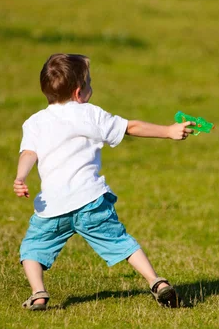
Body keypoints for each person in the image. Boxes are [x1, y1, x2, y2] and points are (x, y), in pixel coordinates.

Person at [13, 53, 192, 310]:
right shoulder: (90, 114)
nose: (91, 88)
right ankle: (157, 282)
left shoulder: (35, 123)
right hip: (90, 201)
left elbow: (29, 153)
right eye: (89, 83)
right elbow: (131, 127)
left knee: (32, 248)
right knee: (121, 243)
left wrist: (21, 176)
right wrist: (168, 131)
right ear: (79, 93)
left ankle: (39, 293)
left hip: (53, 206)